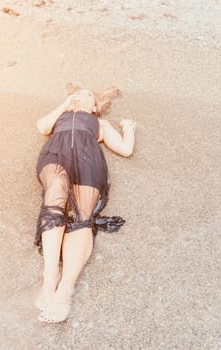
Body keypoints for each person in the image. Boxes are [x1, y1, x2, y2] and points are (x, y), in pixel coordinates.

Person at [34, 84, 136, 323]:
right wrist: (64, 105)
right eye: (76, 94)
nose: (81, 97)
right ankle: (50, 277)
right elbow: (42, 127)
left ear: (95, 107)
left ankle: (65, 289)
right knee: (56, 189)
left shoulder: (100, 124)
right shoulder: (61, 115)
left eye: (87, 95)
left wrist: (128, 129)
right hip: (55, 154)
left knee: (83, 215)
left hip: (88, 159)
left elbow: (125, 149)